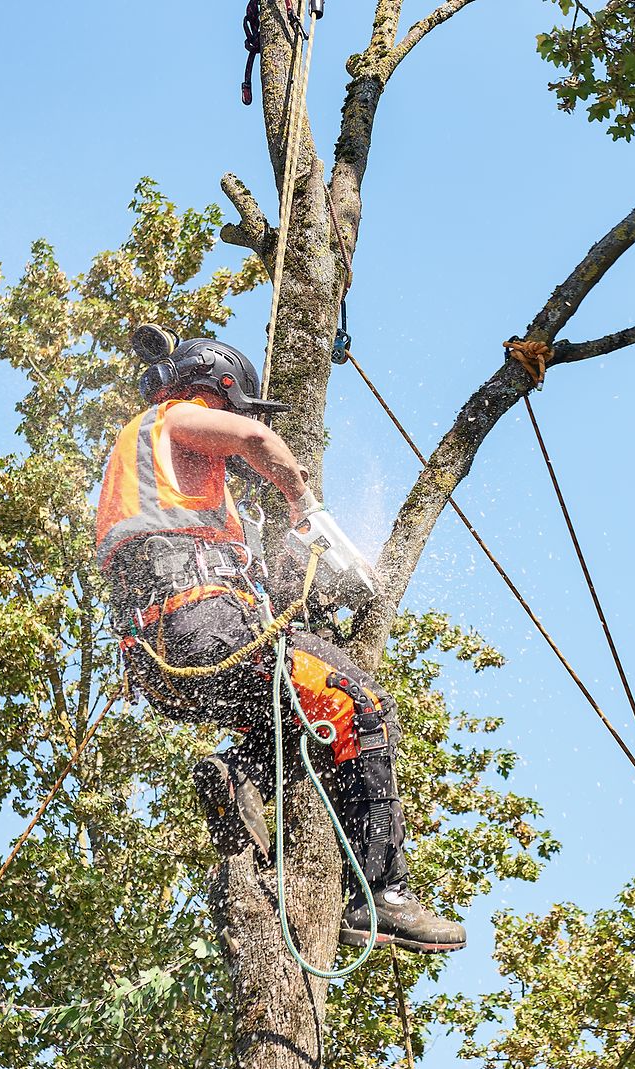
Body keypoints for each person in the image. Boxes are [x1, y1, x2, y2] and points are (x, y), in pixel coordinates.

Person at [94, 326, 465, 954]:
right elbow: (256, 439)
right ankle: (381, 894)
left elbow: (259, 579)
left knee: (289, 726)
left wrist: (326, 585)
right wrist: (303, 503)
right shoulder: (174, 418)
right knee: (358, 704)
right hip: (203, 623)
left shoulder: (157, 485)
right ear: (221, 386)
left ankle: (237, 773)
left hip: (164, 665)